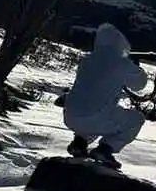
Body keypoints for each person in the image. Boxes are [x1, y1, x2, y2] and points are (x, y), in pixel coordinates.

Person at [63, 23, 149, 169]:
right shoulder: (121, 63)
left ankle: (79, 143)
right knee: (136, 119)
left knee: (94, 114)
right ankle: (105, 149)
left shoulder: (87, 60)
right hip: (95, 116)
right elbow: (139, 85)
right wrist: (135, 67)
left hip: (70, 117)